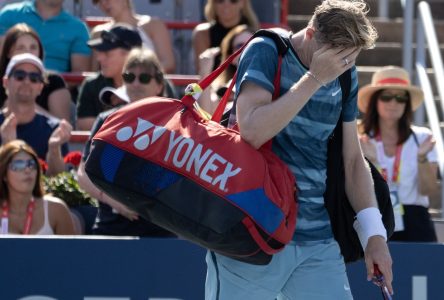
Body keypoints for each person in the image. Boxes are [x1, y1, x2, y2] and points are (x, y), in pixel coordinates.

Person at [205, 1, 393, 299]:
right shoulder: (266, 50)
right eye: (337, 58)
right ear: (309, 34)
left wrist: (374, 235)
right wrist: (314, 78)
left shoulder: (346, 72)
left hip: (318, 242)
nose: (341, 66)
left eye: (349, 59)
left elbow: (353, 161)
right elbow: (252, 131)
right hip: (251, 237)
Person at [77, 48, 173, 237]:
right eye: (129, 77)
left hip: (161, 234)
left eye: (144, 78)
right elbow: (83, 174)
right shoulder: (107, 119)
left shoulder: (174, 125)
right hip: (111, 229)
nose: (136, 84)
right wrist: (117, 203)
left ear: (159, 85)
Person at [358, 65, 439, 242]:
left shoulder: (422, 137)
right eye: (386, 96)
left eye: (400, 98)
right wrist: (370, 161)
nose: (393, 103)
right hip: (373, 216)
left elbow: (429, 190)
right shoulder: (360, 141)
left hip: (415, 219)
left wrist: (422, 158)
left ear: (407, 104)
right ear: (375, 101)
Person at [0, 53, 71, 176]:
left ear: (40, 87)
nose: (27, 81)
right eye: (19, 76)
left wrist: (54, 149)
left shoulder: (54, 129)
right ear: (5, 82)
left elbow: (57, 181)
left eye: (34, 78)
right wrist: (6, 146)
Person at [0, 139, 76, 235]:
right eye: (18, 165)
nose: (27, 170)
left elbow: (69, 249)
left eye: (31, 164)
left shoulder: (56, 210)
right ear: (4, 175)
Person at [0, 23, 72, 122]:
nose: (28, 52)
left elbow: (63, 128)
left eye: (33, 47)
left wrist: (27, 106)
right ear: (5, 82)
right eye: (20, 48)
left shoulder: (54, 81)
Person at [76, 24, 142, 131]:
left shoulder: (154, 81)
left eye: (107, 53)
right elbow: (84, 125)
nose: (99, 58)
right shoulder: (92, 84)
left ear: (129, 55)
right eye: (100, 52)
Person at [0, 0, 91, 73]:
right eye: (20, 47)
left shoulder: (78, 28)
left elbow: (78, 74)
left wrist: (46, 86)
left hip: (56, 91)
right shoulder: (8, 15)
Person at [90, 0, 175, 73]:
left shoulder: (153, 25)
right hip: (111, 88)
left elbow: (168, 64)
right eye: (98, 1)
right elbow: (94, 72)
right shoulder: (98, 33)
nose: (104, 3)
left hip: (147, 87)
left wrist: (140, 78)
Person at [197, 24, 253, 115]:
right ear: (230, 57)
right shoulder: (221, 91)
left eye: (251, 44)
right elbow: (206, 117)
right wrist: (204, 71)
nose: (246, 49)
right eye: (240, 46)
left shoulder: (272, 80)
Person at [192, 0, 259, 72]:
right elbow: (202, 72)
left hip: (243, 81)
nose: (226, 4)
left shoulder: (254, 33)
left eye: (233, 1)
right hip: (214, 82)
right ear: (213, 3)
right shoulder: (203, 34)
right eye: (220, 1)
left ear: (243, 3)